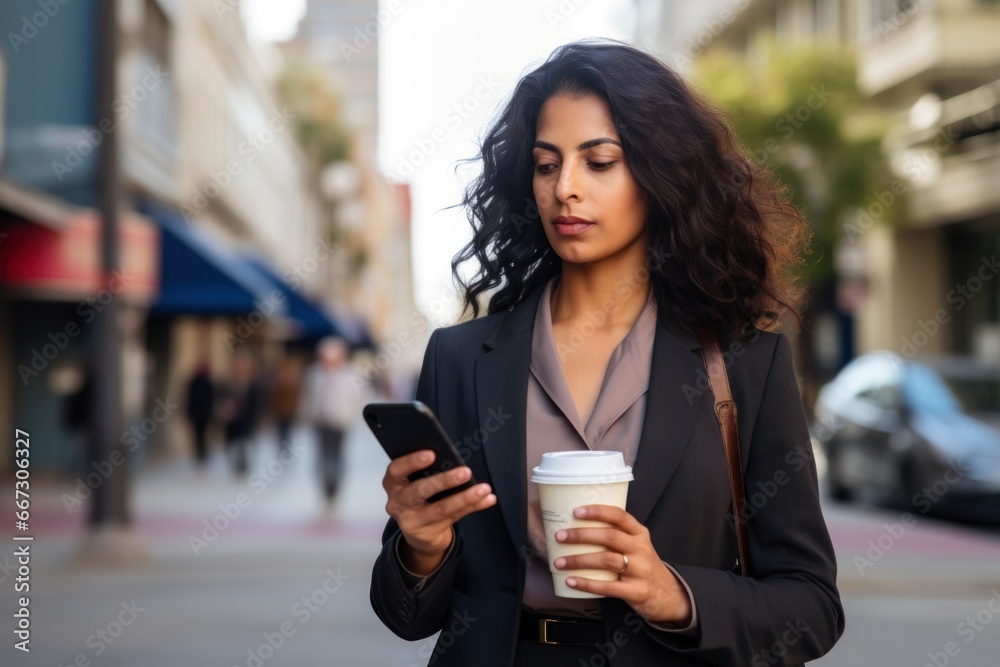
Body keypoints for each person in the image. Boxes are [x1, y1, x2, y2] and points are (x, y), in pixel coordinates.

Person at [369, 39, 845, 666]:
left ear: (658, 174)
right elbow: (406, 616)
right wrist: (419, 547)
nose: (565, 188)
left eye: (599, 161)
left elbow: (811, 607)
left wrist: (672, 592)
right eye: (546, 165)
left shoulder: (745, 363)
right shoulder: (460, 359)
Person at [301, 336, 359, 510]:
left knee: (337, 458)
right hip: (320, 422)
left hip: (340, 423)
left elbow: (356, 399)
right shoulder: (314, 373)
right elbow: (308, 398)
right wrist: (306, 417)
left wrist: (351, 418)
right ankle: (325, 489)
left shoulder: (350, 374)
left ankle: (334, 489)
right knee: (322, 457)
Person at [185, 361, 215, 465]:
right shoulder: (196, 382)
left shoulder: (206, 382)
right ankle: (200, 453)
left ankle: (202, 453)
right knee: (198, 434)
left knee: (201, 434)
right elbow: (190, 398)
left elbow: (210, 399)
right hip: (198, 413)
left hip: (202, 413)